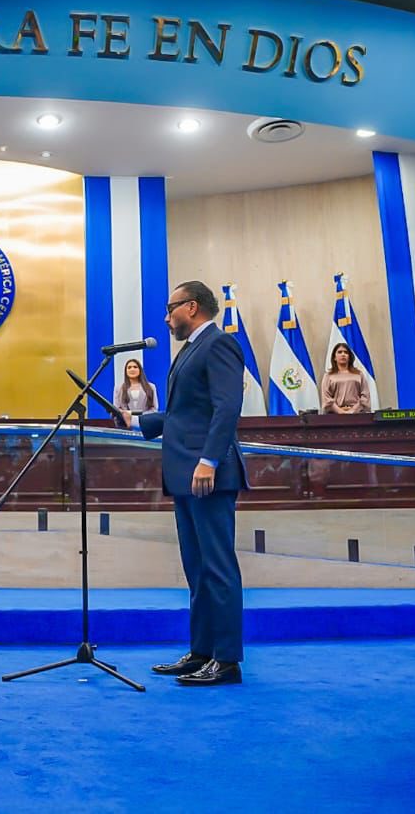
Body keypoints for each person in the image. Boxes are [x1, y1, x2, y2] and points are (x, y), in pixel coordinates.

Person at [123, 280, 247, 686]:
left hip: (207, 475)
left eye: (170, 308)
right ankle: (202, 652)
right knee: (197, 569)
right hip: (185, 475)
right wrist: (139, 421)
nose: (166, 317)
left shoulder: (219, 343)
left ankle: (226, 661)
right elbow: (184, 413)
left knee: (217, 567)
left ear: (191, 307)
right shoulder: (191, 348)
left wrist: (209, 459)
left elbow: (227, 407)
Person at [320, 342, 371, 414]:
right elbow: (326, 398)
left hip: (357, 415)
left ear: (349, 357)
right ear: (334, 357)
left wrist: (352, 410)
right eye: (340, 352)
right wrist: (340, 411)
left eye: (346, 352)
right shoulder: (328, 375)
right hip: (334, 416)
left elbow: (365, 396)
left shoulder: (359, 374)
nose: (343, 354)